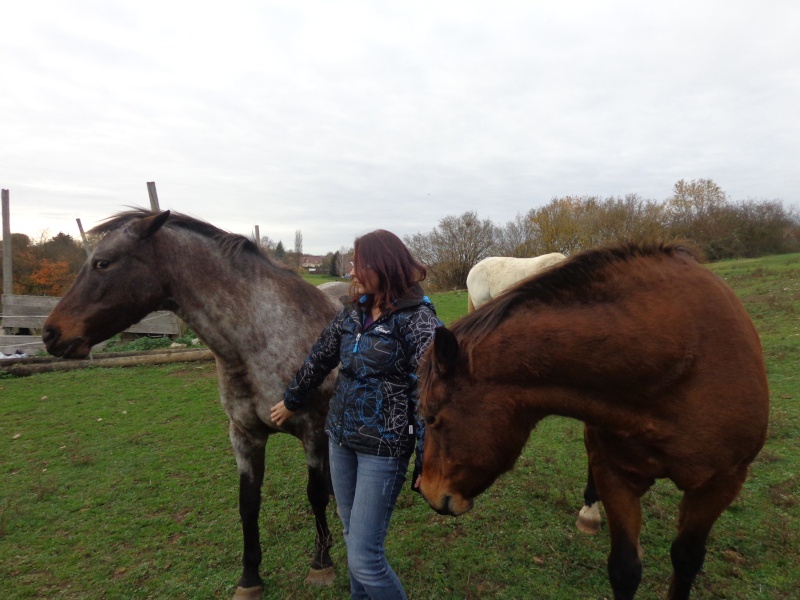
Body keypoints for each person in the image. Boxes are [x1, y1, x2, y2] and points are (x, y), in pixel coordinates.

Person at [271, 229, 442, 600]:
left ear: (383, 266)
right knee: (352, 541)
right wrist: (292, 400)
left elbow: (429, 394)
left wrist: (426, 459)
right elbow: (320, 358)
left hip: (385, 446)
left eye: (359, 263)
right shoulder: (353, 312)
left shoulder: (418, 319)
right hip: (341, 438)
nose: (352, 270)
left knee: (366, 559)